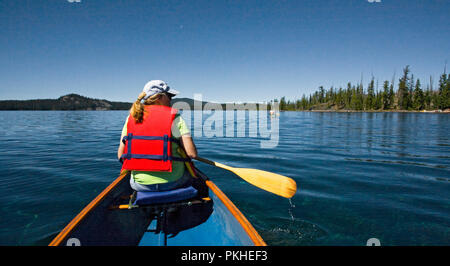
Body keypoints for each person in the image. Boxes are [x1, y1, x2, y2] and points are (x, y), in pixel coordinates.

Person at [117, 80, 197, 192]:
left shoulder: (132, 117)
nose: (171, 99)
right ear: (159, 97)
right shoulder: (176, 117)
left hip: (139, 184)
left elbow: (120, 155)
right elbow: (192, 153)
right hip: (173, 182)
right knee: (192, 176)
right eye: (169, 96)